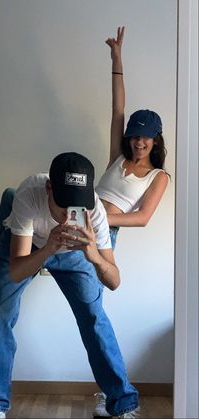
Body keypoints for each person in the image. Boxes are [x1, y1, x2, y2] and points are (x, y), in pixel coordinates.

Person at [0, 152, 140, 419]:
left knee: (94, 317)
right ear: (49, 189)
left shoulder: (95, 212)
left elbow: (114, 281)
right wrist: (47, 250)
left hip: (76, 252)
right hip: (33, 243)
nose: (69, 215)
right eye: (63, 206)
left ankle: (122, 401)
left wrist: (93, 255)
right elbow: (16, 271)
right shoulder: (30, 193)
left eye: (76, 208)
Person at [93, 27, 169, 417]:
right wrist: (117, 59)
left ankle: (117, 396)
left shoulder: (158, 177)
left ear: (156, 140)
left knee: (92, 314)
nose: (138, 142)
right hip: (78, 216)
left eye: (146, 138)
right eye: (135, 136)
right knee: (14, 198)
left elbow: (141, 217)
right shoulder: (116, 156)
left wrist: (109, 215)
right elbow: (117, 109)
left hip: (104, 232)